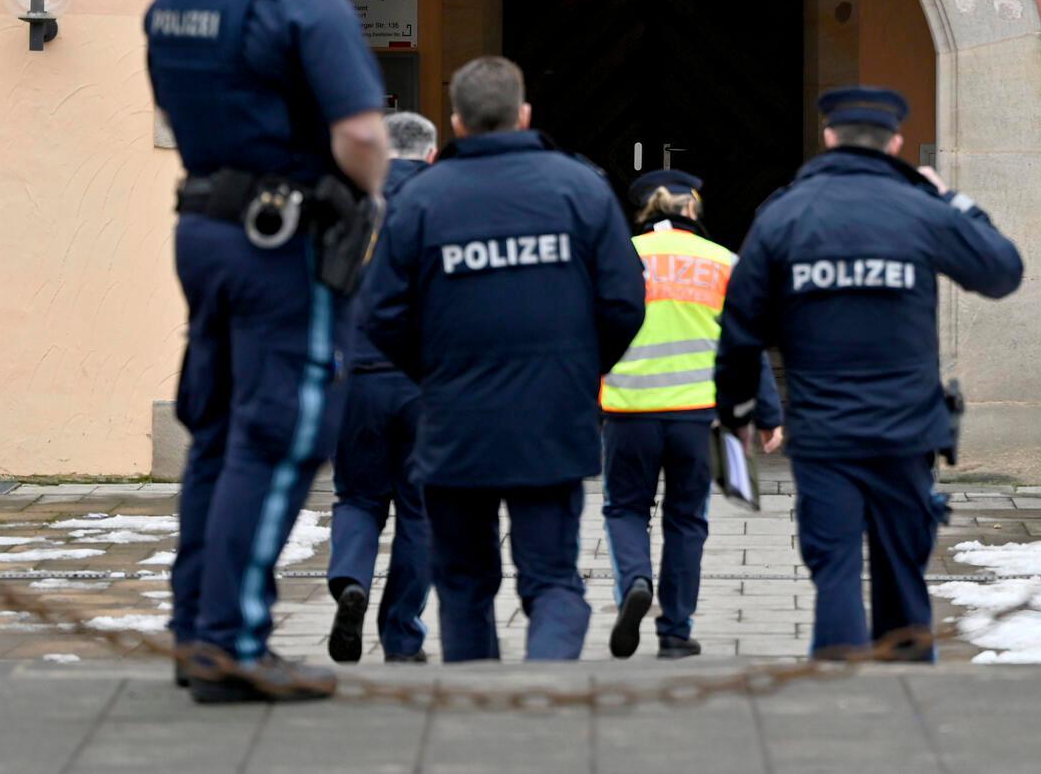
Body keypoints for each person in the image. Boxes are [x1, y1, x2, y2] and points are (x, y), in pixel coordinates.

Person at [146, 0, 388, 703]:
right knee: (281, 434)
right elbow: (362, 132)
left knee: (217, 431)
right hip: (282, 241)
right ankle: (234, 643)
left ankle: (194, 635)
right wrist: (366, 199)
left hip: (204, 228)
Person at [713, 88, 1023, 660]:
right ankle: (907, 696)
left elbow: (739, 328)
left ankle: (838, 694)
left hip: (825, 435)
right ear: (896, 143)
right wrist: (953, 200)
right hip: (906, 434)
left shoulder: (785, 214)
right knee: (902, 572)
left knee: (834, 570)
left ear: (830, 136)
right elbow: (1003, 272)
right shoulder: (921, 211)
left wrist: (737, 411)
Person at [361, 57, 647, 663]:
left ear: (457, 123)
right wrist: (579, 371)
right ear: (524, 115)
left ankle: (477, 722)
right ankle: (543, 686)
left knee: (462, 585)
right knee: (552, 582)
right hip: (551, 419)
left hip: (454, 422)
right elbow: (624, 301)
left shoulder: (422, 200)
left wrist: (436, 375)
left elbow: (382, 315)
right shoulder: (580, 189)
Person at [601, 168, 785, 661]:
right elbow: (745, 340)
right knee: (687, 521)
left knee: (625, 509)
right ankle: (676, 632)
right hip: (702, 417)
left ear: (643, 210)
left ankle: (636, 581)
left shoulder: (620, 258)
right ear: (693, 208)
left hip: (629, 410)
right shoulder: (724, 261)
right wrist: (767, 414)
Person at [325, 110, 439, 665]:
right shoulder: (443, 204)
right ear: (431, 155)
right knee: (421, 512)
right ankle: (401, 635)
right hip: (425, 384)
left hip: (358, 377)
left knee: (359, 496)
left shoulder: (349, 202)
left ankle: (350, 579)